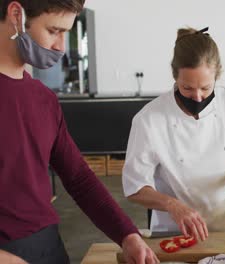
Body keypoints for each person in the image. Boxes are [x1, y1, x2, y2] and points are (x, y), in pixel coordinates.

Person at [0, 1, 158, 263]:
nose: (62, 46)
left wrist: (127, 235)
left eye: (66, 33)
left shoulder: (44, 99)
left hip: (49, 246)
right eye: (53, 31)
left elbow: (79, 178)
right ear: (17, 15)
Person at [122, 27, 225, 240]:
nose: (197, 97)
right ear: (174, 76)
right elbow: (135, 187)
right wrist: (172, 205)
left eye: (205, 88)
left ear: (217, 75)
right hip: (174, 230)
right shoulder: (149, 119)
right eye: (187, 88)